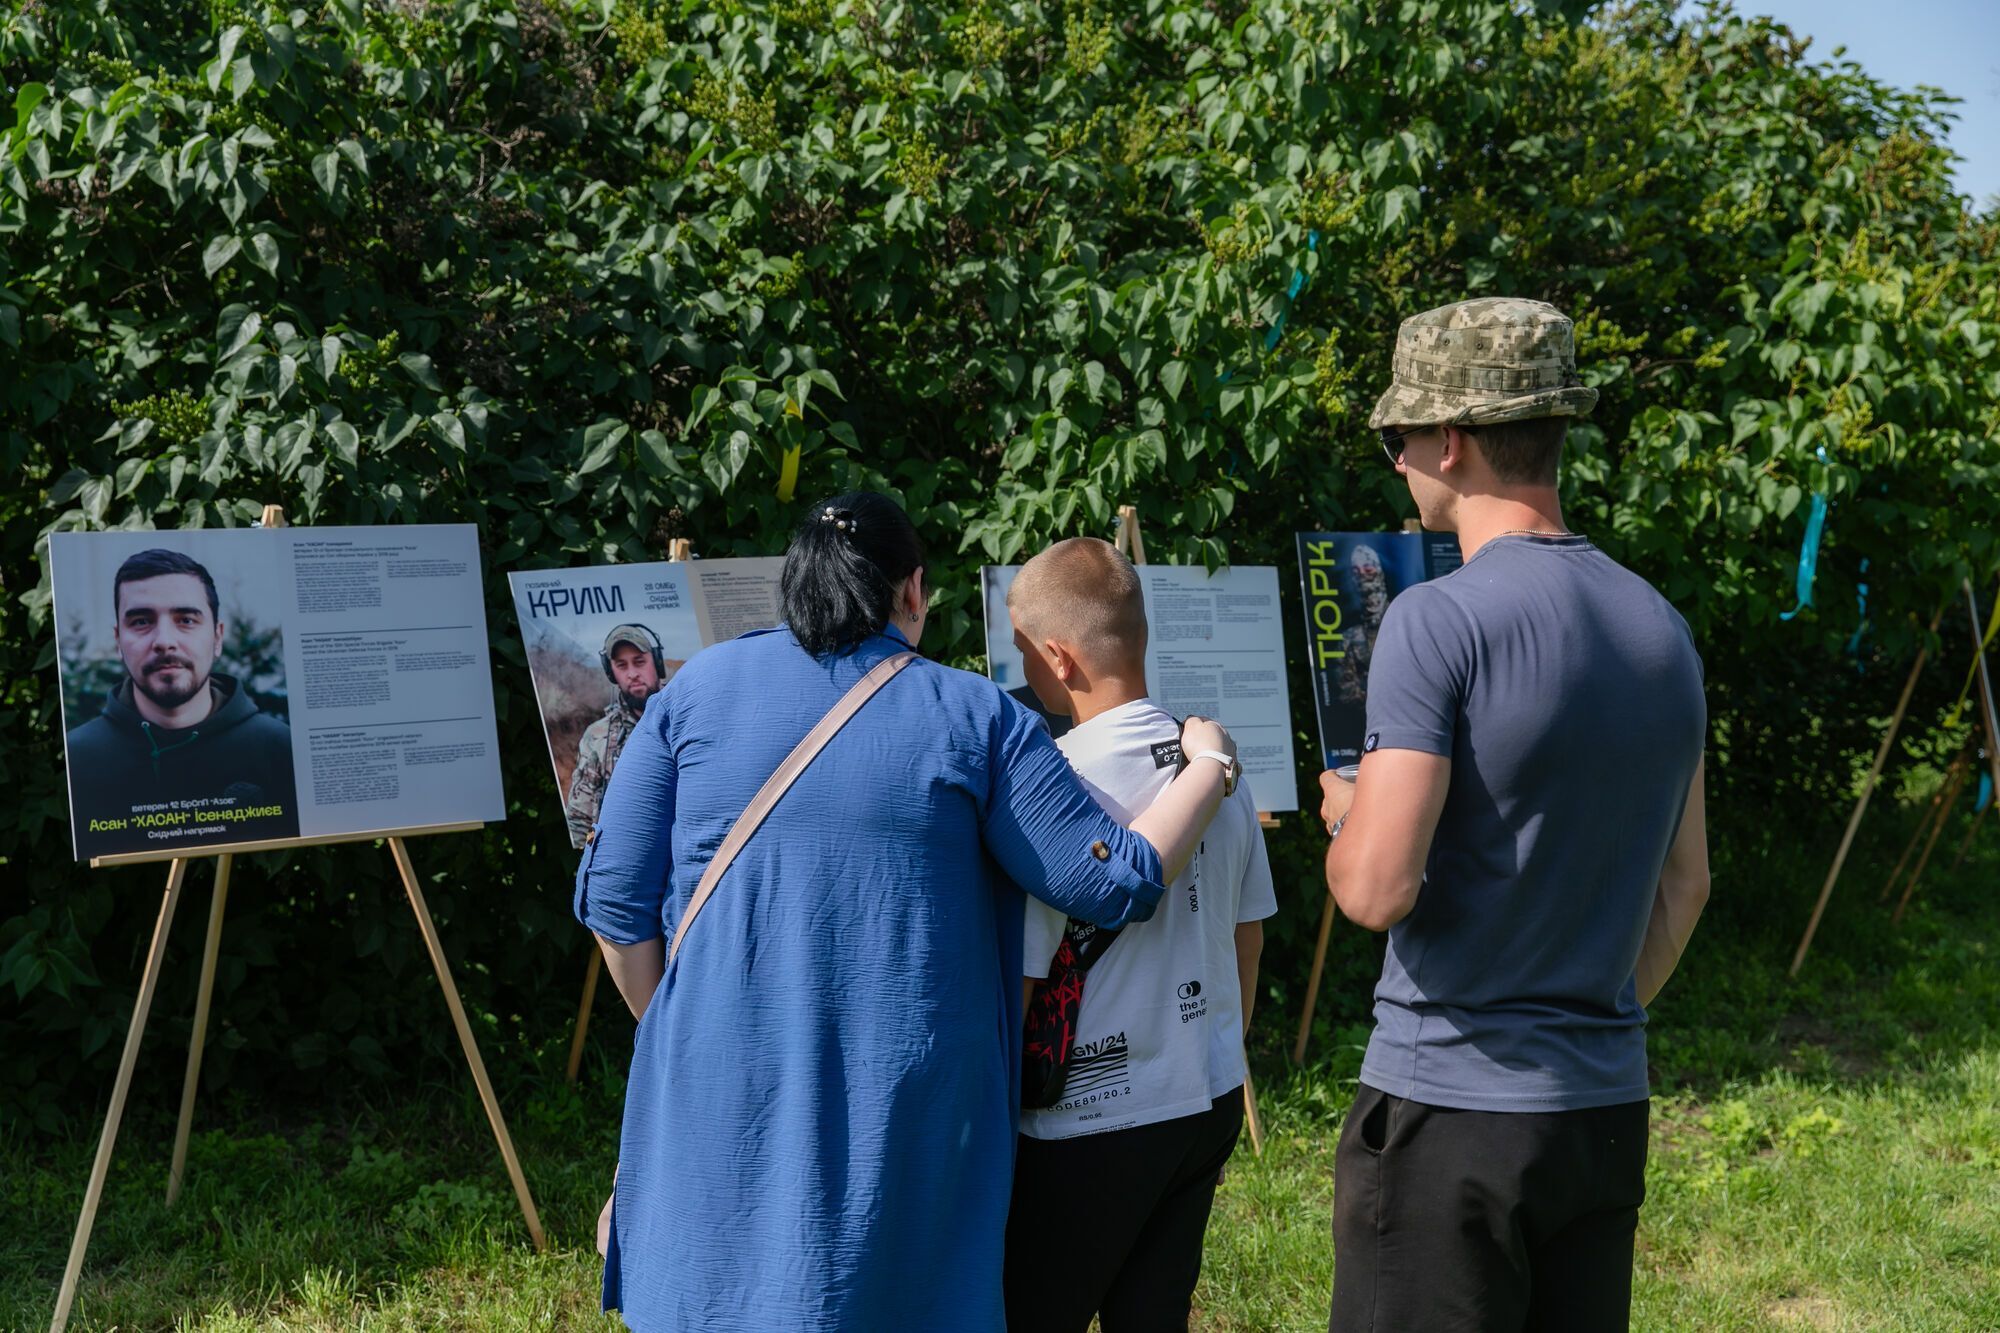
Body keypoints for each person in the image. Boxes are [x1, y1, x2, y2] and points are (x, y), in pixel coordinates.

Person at [575, 491, 1242, 1332]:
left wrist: (677, 1027)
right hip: (903, 1100)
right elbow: (1115, 879)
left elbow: (615, 904)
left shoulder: (694, 688)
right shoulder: (976, 715)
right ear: (914, 591)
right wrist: (1208, 764)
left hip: (713, 1076)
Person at [1319, 297, 1711, 1331]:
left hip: (1447, 1117)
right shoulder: (1659, 626)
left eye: (1395, 437)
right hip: (1600, 1113)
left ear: (1448, 441)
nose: (1393, 459)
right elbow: (1685, 883)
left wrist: (1346, 815)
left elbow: (1373, 888)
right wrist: (1582, 1018)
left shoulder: (1434, 619)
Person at [1000, 537, 1276, 1333]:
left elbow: (1022, 979)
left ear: (1059, 655)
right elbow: (1247, 935)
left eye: (1023, 650)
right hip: (1209, 1094)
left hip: (1086, 1117)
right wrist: (1221, 1045)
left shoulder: (1054, 785)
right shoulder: (1219, 767)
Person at [65, 547, 297, 841]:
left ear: (217, 637)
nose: (164, 642)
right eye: (141, 621)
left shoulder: (281, 751)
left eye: (186, 620)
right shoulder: (77, 757)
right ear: (118, 641)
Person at [565, 623, 669, 848]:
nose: (632, 674)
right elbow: (579, 819)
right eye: (621, 666)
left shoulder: (688, 718)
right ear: (611, 673)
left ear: (657, 663)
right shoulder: (597, 736)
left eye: (639, 662)